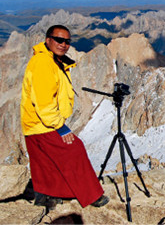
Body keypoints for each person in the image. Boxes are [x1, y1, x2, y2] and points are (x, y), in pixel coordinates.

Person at [20, 24, 109, 209]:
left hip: (37, 123)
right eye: (59, 40)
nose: (63, 44)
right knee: (74, 148)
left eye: (67, 41)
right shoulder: (43, 63)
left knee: (45, 160)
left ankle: (47, 196)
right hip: (42, 123)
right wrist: (59, 126)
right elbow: (43, 101)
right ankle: (91, 195)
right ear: (48, 40)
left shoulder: (53, 60)